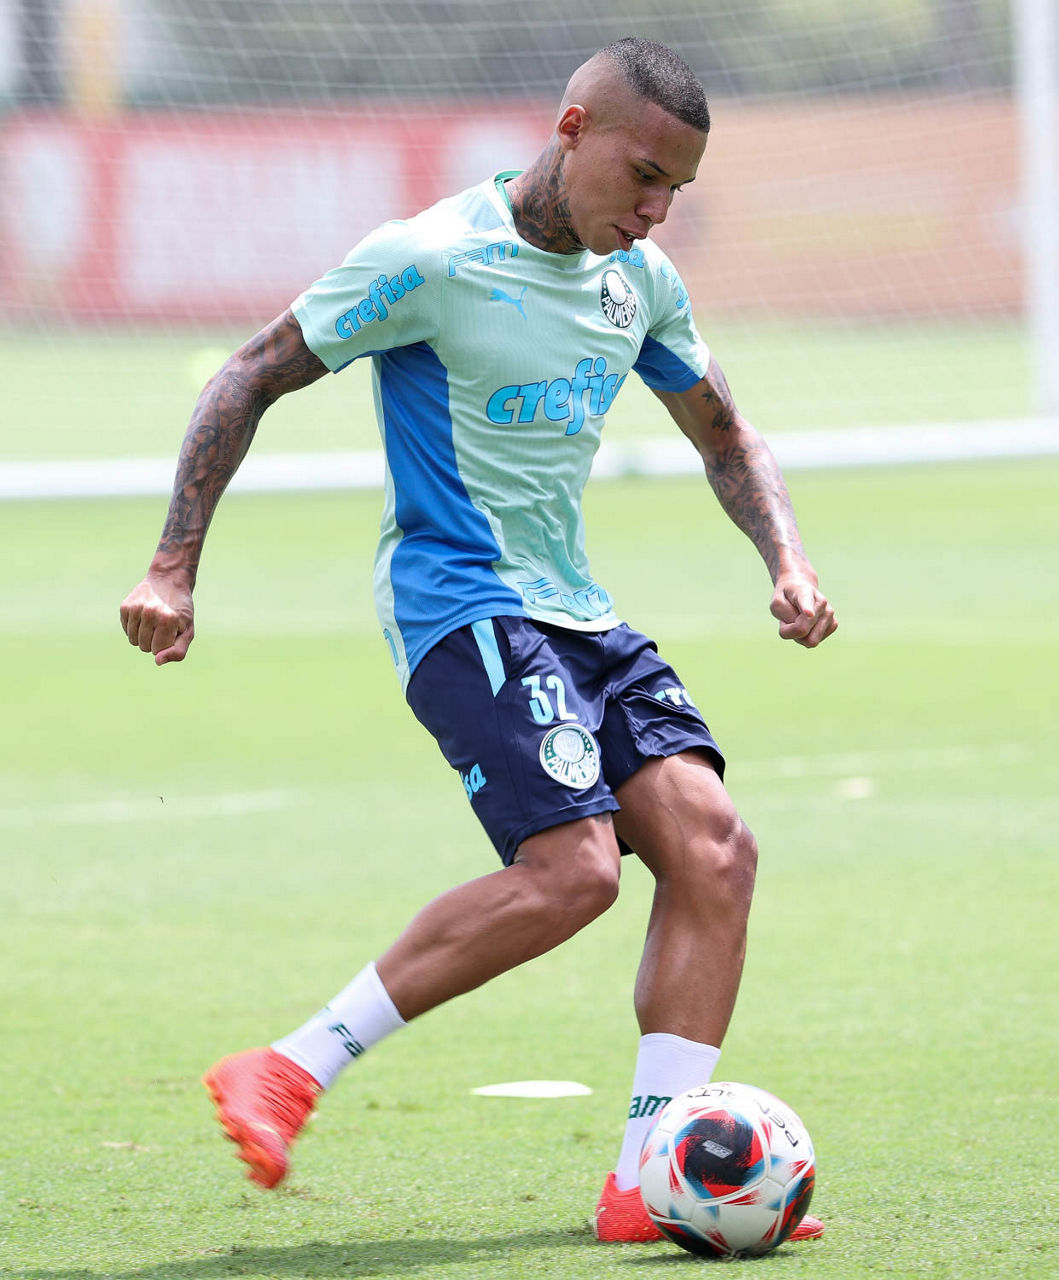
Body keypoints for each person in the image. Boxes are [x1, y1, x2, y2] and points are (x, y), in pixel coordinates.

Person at [120, 37, 836, 1245]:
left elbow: (725, 434)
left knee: (716, 850)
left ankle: (642, 1181)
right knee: (577, 870)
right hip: (460, 602)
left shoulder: (639, 282)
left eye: (678, 190)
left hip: (579, 611)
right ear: (572, 128)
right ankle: (289, 1066)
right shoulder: (430, 258)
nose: (657, 209)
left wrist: (788, 558)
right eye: (644, 175)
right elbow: (247, 375)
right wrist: (171, 566)